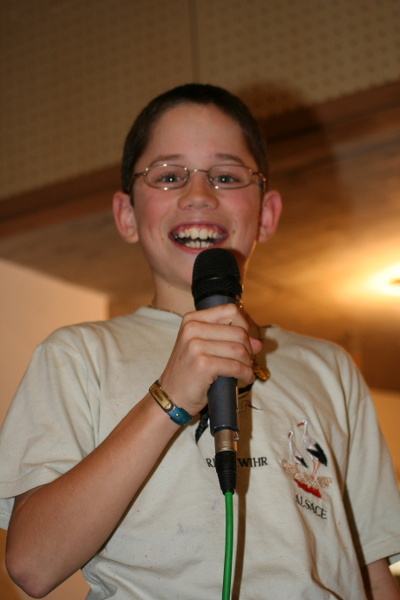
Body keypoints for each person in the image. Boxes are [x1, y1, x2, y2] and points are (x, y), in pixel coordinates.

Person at [0, 83, 399, 600]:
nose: (198, 195)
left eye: (226, 176)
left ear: (267, 213)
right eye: (169, 176)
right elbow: (32, 565)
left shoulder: (330, 366)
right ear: (126, 214)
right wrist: (170, 397)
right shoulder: (78, 355)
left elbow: (370, 568)